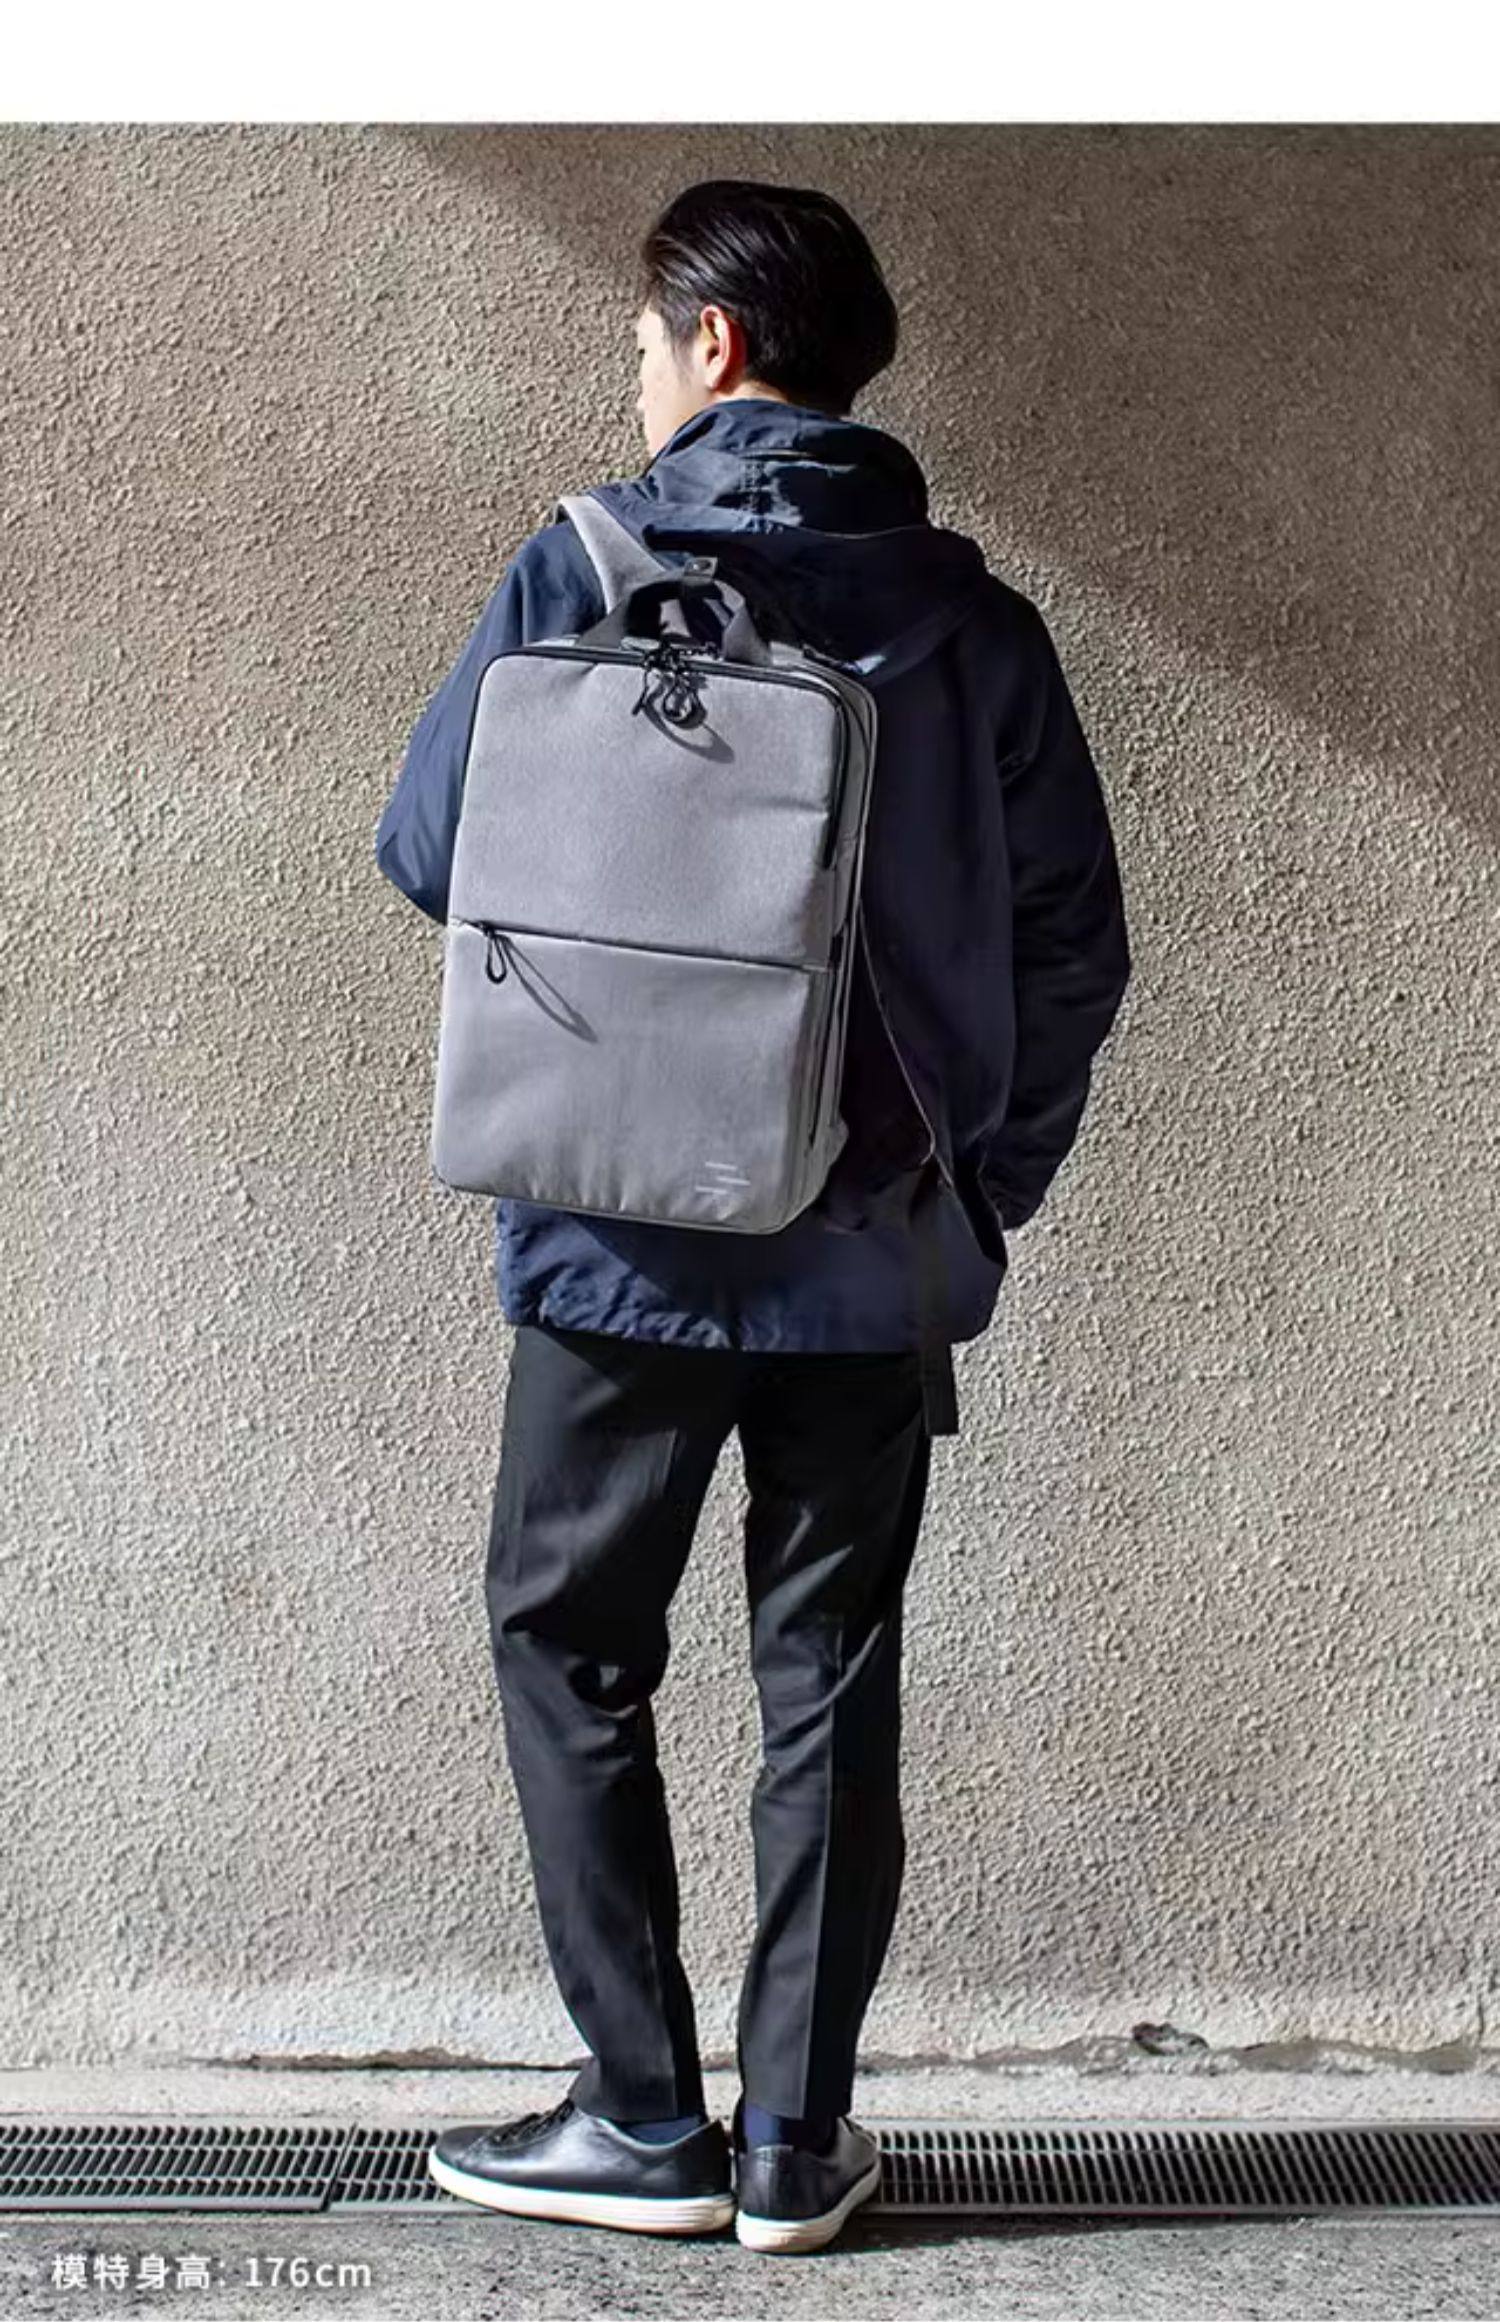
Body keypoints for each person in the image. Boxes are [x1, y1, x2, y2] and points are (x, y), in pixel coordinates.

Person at [376, 177, 1132, 2255]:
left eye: (645, 342)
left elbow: (429, 845)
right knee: (829, 1677)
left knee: (567, 1644)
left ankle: (641, 2116)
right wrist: (983, 1182)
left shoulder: (585, 566)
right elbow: (1076, 945)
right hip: (872, 1248)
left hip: (617, 1234)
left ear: (714, 343)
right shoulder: (979, 628)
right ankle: (796, 2141)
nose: (637, 378)